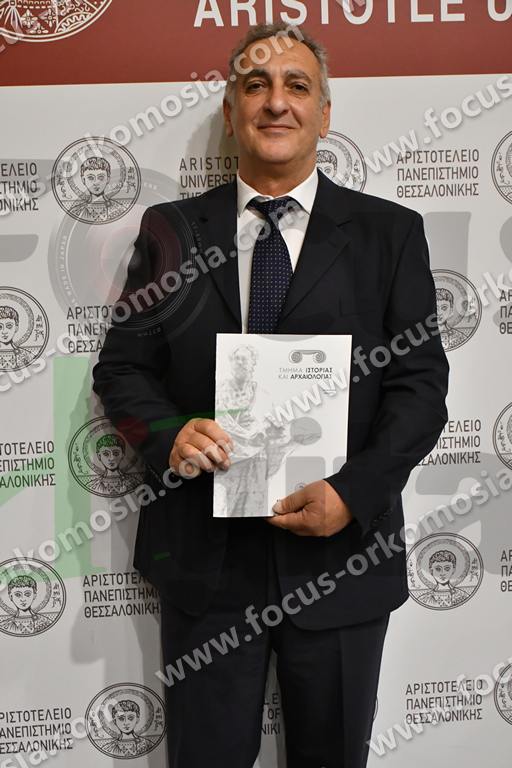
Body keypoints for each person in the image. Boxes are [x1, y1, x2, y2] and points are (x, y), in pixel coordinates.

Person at [92, 22, 449, 768]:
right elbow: (122, 370)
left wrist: (353, 492)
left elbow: (419, 389)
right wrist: (169, 433)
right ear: (231, 112)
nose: (276, 102)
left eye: (297, 86)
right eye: (255, 85)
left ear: (325, 112)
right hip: (206, 562)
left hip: (343, 558)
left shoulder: (389, 234)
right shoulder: (171, 230)